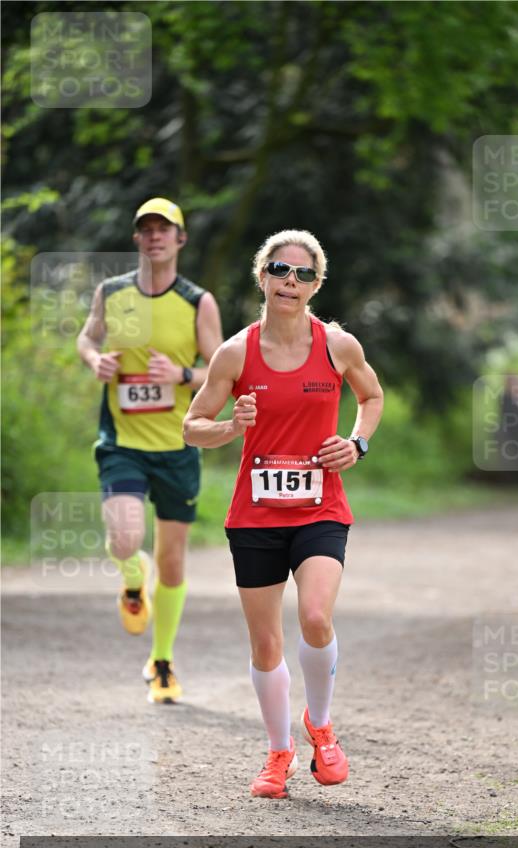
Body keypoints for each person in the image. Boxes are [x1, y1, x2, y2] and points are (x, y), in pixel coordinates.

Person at [183, 230, 384, 798]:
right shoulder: (236, 352)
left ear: (317, 284)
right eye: (279, 270)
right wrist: (232, 426)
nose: (289, 282)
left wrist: (357, 443)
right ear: (262, 277)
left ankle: (320, 727)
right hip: (254, 514)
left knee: (316, 617)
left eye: (301, 274)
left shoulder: (337, 345)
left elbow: (371, 398)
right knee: (266, 645)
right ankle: (278, 754)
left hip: (320, 506)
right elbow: (192, 426)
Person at [77, 198, 223, 703]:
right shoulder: (112, 293)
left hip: (179, 444)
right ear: (137, 238)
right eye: (147, 229)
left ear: (180, 239)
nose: (155, 236)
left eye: (165, 229)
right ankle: (132, 578)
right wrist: (95, 359)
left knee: (174, 560)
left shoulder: (197, 302)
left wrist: (181, 375)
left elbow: (221, 371)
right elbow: (86, 338)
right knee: (124, 538)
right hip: (122, 442)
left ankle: (162, 662)